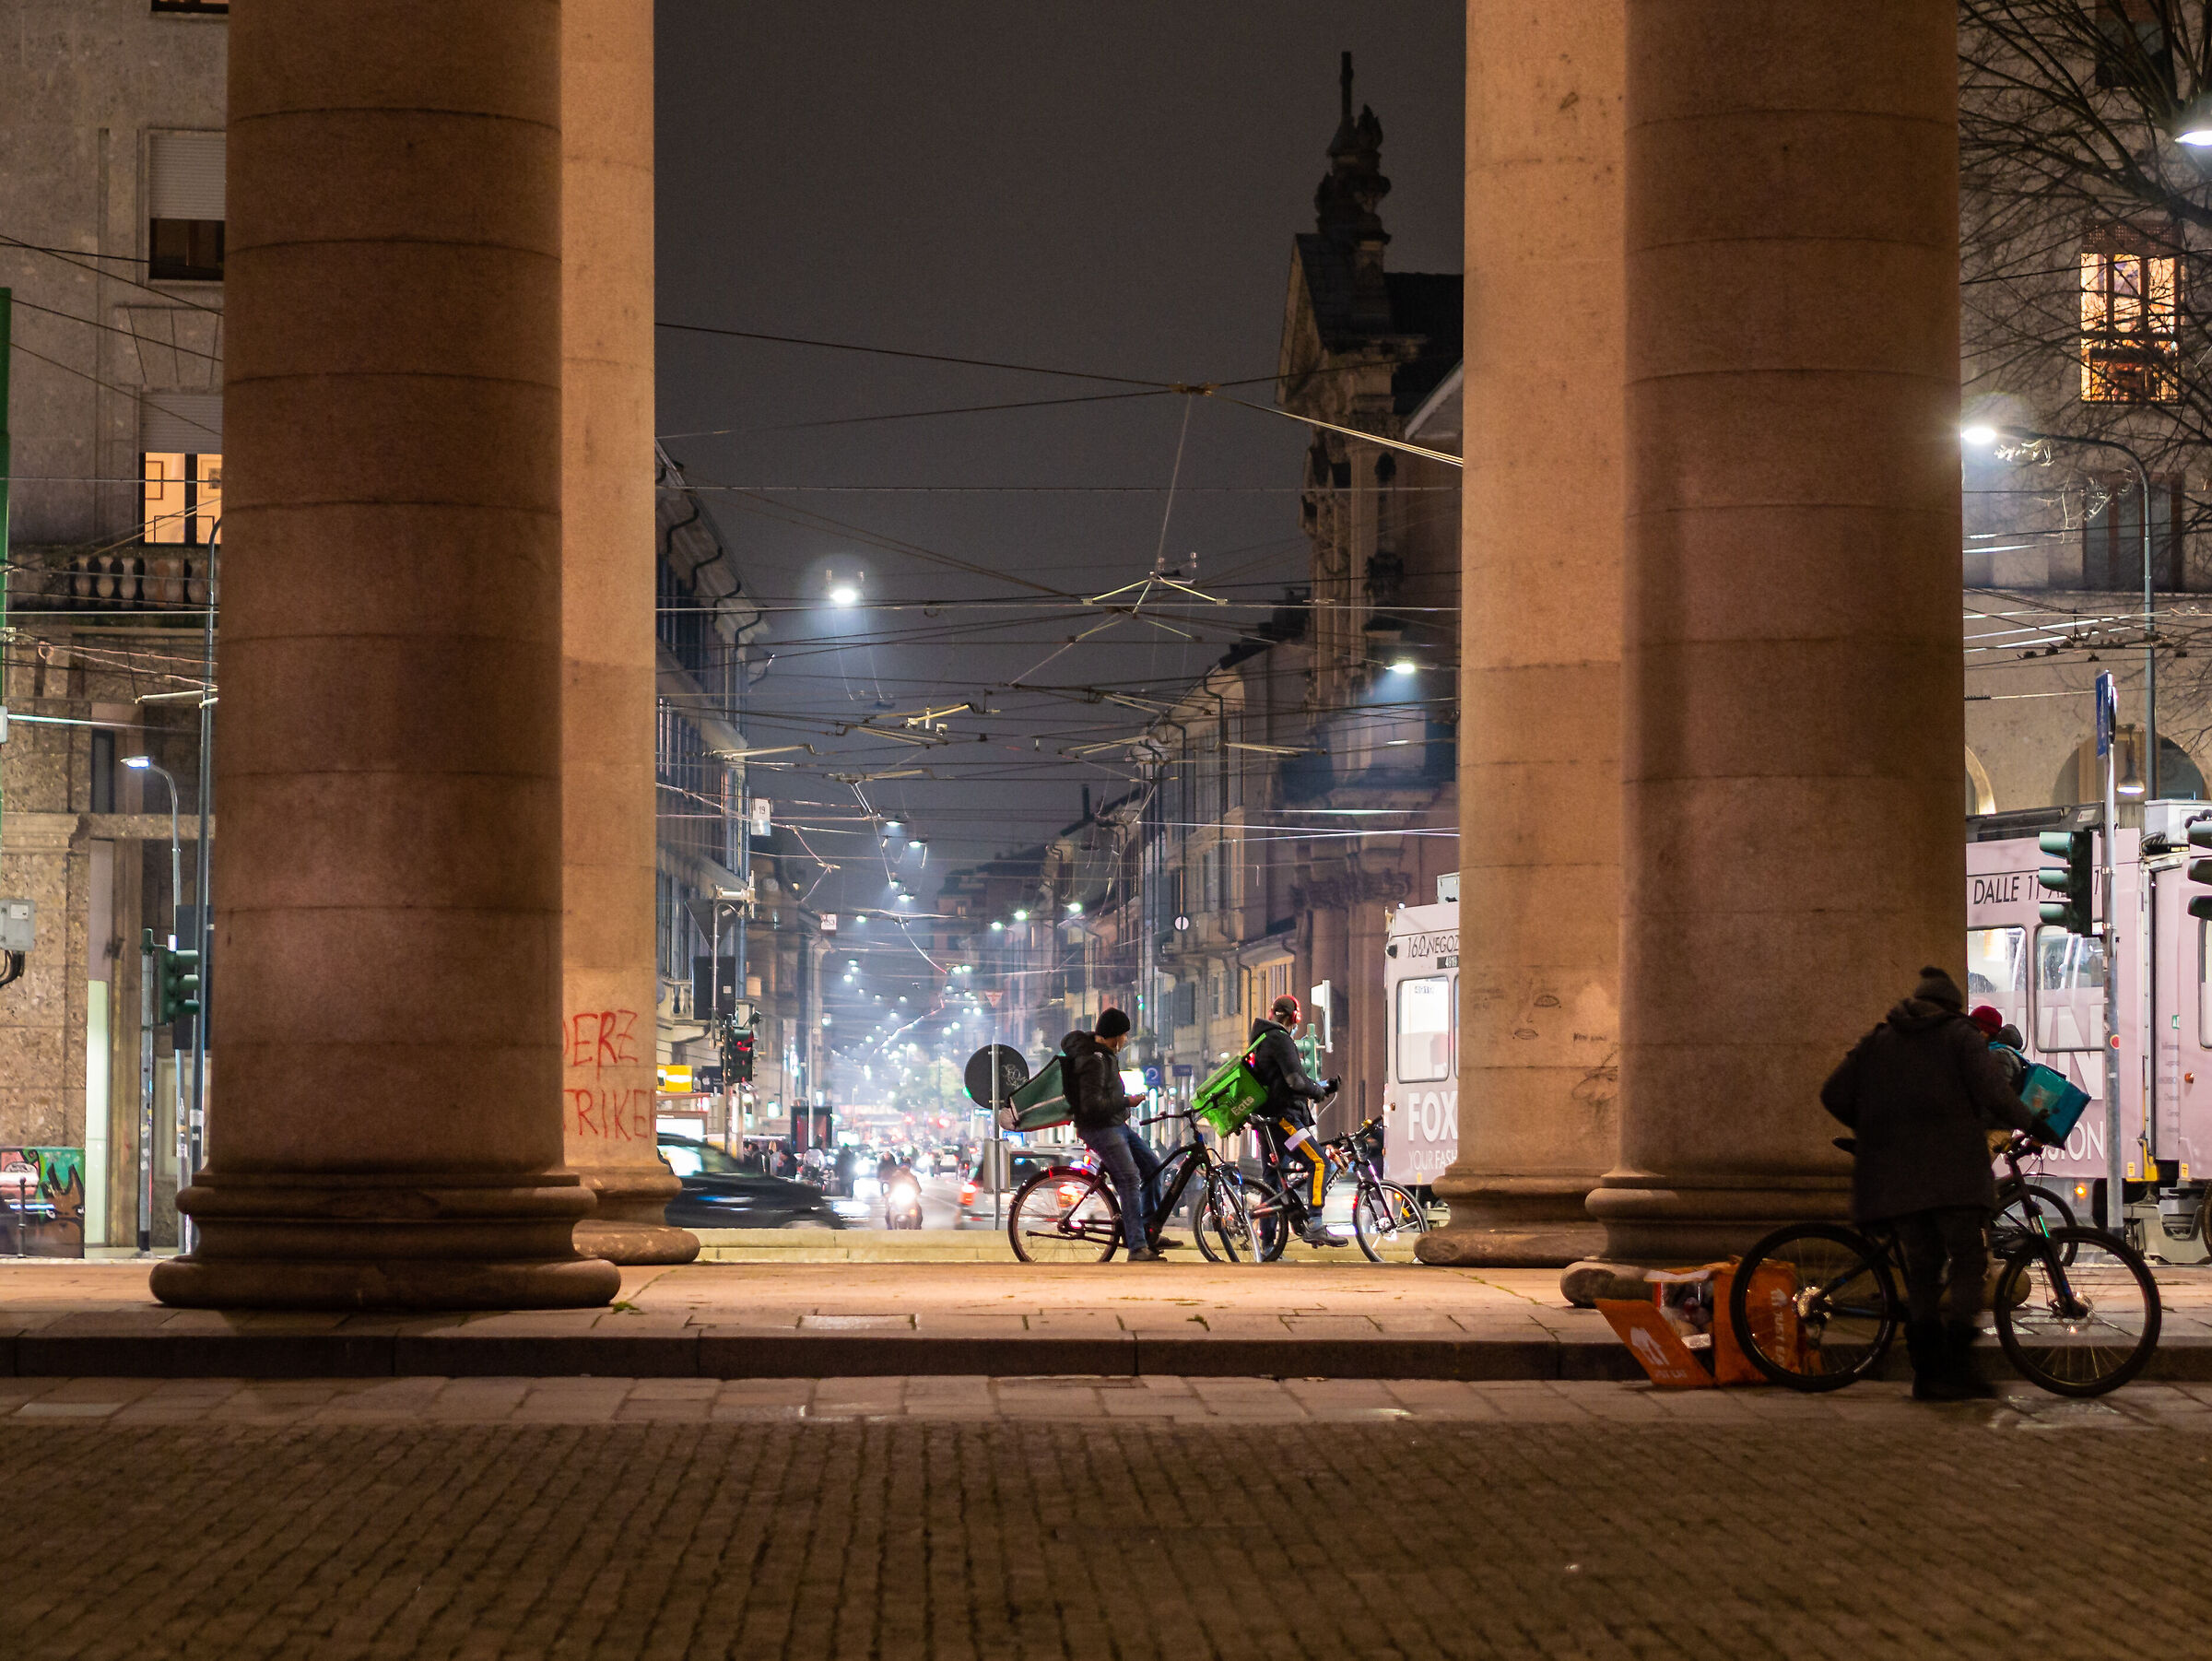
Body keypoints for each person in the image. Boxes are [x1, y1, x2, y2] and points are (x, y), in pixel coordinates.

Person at [1822, 965, 2047, 1402]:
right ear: (1951, 1006)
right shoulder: (1960, 1038)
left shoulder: (1880, 1039)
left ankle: (1926, 1374)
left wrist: (1874, 1131)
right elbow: (1996, 1095)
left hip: (1898, 1177)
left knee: (1923, 1271)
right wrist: (2036, 1122)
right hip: (1954, 1175)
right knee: (1968, 1261)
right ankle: (1958, 1364)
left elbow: (1833, 1093)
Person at [1061, 1008, 1166, 1261]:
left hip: (1116, 1124)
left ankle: (1148, 1230)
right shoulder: (1093, 1061)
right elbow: (1092, 1106)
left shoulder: (1106, 1056)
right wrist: (1126, 1102)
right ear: (1115, 1036)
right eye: (1125, 1035)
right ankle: (1137, 1246)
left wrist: (1122, 1104)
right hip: (1100, 1128)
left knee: (1152, 1167)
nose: (1127, 1041)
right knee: (1129, 1179)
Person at [1247, 994, 1341, 1245]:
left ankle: (1268, 1245)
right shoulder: (1280, 1040)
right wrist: (1317, 1091)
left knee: (1272, 1182)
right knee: (1320, 1163)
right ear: (1293, 1018)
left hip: (1268, 1121)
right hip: (1285, 1120)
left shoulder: (1262, 1039)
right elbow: (1295, 1081)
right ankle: (1316, 1223)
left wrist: (1321, 1086)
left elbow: (1285, 1080)